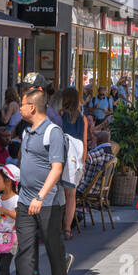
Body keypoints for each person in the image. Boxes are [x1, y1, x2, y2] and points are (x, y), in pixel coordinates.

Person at [2, 87, 71, 275]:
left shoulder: (53, 132)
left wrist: (40, 196)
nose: (19, 108)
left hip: (48, 202)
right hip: (25, 199)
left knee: (53, 247)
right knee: (25, 248)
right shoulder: (26, 131)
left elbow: (57, 168)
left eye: (22, 105)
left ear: (31, 107)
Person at [58, 86, 88, 241]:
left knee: (58, 194)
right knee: (71, 196)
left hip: (61, 156)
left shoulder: (60, 115)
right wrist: (82, 163)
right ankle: (67, 229)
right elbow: (84, 142)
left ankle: (55, 226)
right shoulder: (83, 119)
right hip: (75, 159)